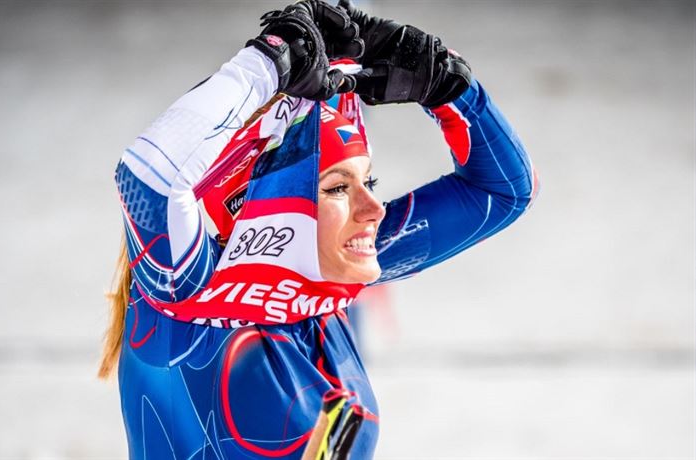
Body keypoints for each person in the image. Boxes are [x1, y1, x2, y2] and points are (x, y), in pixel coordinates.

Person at [98, 1, 538, 458]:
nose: (374, 209)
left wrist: (448, 86)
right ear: (259, 204)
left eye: (369, 182)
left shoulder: (327, 273)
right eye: (337, 188)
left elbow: (505, 191)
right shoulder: (186, 291)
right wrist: (265, 63)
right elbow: (147, 178)